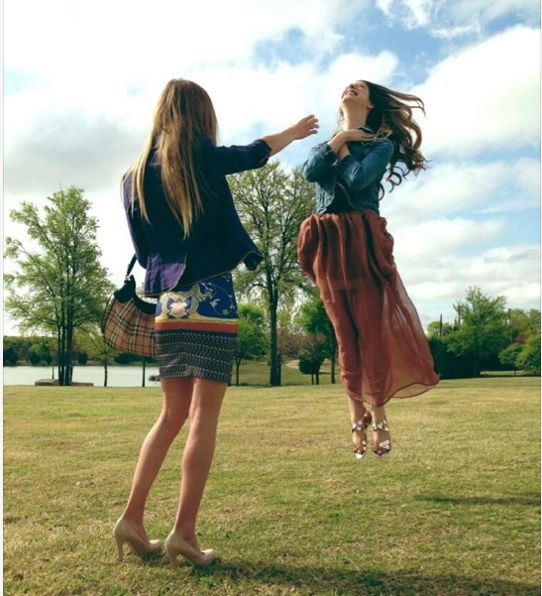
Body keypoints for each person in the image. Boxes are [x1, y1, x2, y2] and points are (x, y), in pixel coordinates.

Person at [114, 78, 318, 567]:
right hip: (211, 296)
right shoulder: (199, 157)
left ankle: (132, 519)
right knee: (203, 416)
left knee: (170, 415)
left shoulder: (132, 176)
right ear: (200, 115)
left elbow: (143, 249)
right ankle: (183, 533)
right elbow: (252, 153)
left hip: (167, 302)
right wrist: (293, 132)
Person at [298, 79, 439, 461]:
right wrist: (341, 137)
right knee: (345, 337)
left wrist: (344, 145)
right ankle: (354, 418)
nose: (351, 87)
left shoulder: (382, 144)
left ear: (372, 103)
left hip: (362, 243)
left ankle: (378, 416)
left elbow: (359, 179)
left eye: (359, 87)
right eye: (348, 85)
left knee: (370, 335)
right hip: (329, 245)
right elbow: (309, 171)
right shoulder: (328, 143)